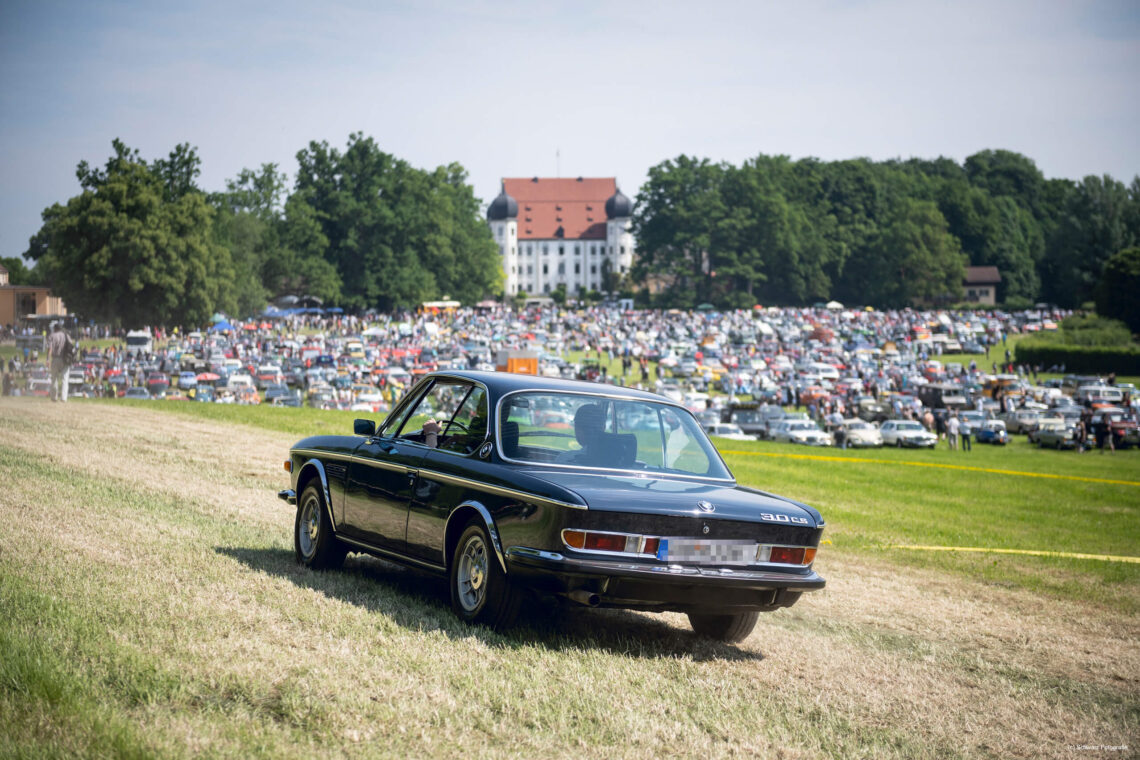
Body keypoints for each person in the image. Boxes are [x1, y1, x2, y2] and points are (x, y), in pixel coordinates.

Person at [47, 322, 73, 403]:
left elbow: (50, 349)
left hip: (55, 358)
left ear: (54, 328)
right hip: (65, 359)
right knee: (65, 378)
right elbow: (71, 346)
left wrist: (48, 359)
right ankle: (63, 398)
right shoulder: (66, 335)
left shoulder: (52, 336)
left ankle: (54, 397)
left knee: (54, 378)